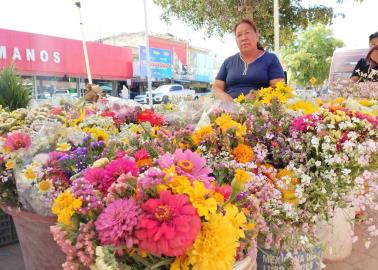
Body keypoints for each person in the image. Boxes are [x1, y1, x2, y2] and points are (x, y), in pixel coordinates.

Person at [213, 18, 285, 102]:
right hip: (229, 109)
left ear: (257, 34)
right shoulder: (228, 62)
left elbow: (278, 87)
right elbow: (216, 87)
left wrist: (258, 94)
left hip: (260, 109)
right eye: (239, 35)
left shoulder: (270, 59)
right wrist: (224, 96)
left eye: (247, 33)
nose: (243, 38)